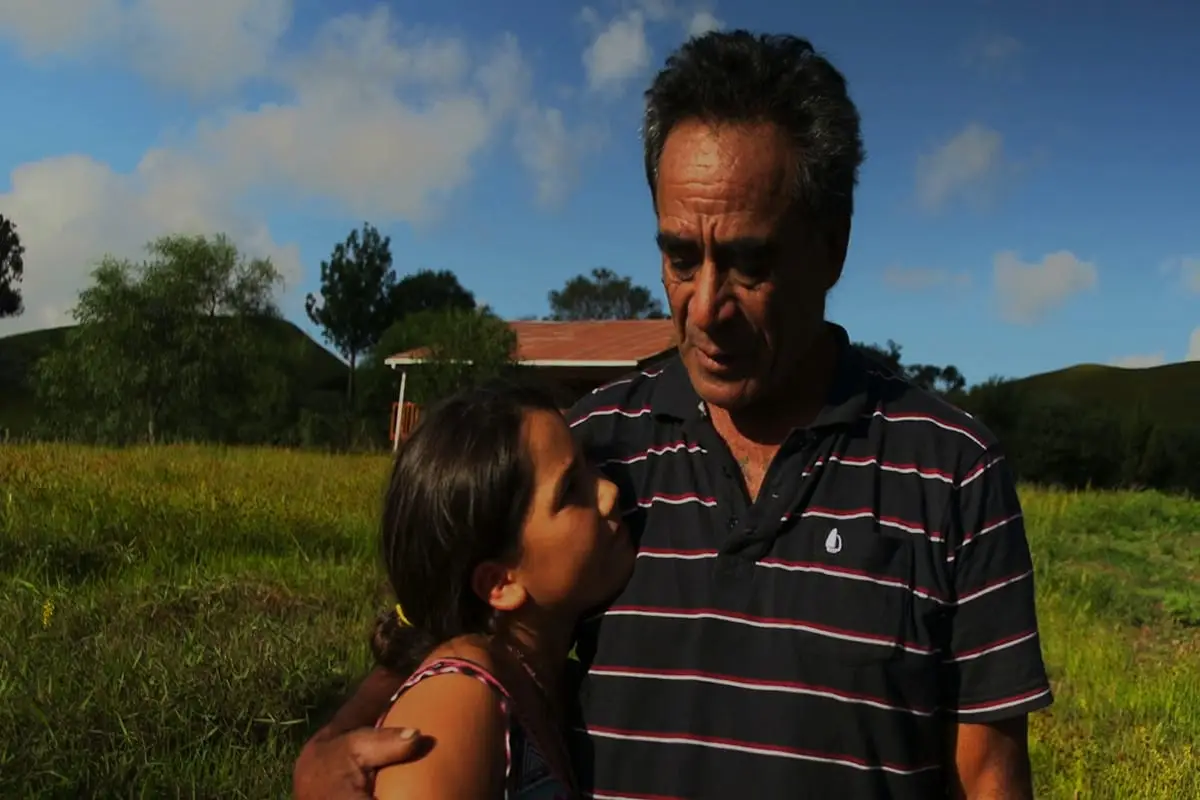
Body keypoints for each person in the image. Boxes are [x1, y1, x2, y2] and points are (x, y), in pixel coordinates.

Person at [294, 30, 1053, 800]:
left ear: (833, 248)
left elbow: (990, 775)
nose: (705, 306)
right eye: (681, 257)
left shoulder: (951, 470)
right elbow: (445, 623)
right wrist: (325, 749)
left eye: (751, 264)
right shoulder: (591, 456)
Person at [366, 380, 634, 798]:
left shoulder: (534, 684)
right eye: (570, 491)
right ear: (500, 583)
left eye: (588, 467)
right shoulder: (456, 702)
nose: (609, 492)